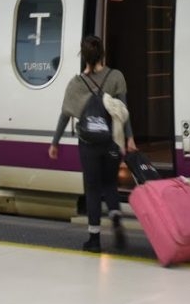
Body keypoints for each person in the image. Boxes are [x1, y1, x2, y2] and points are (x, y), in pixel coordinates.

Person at [47, 35, 136, 252]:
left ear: (83, 56)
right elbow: (123, 112)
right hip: (112, 142)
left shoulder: (76, 84)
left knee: (93, 188)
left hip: (88, 144)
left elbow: (65, 115)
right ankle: (115, 215)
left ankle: (94, 240)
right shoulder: (116, 77)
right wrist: (130, 138)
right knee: (109, 184)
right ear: (102, 54)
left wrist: (55, 143)